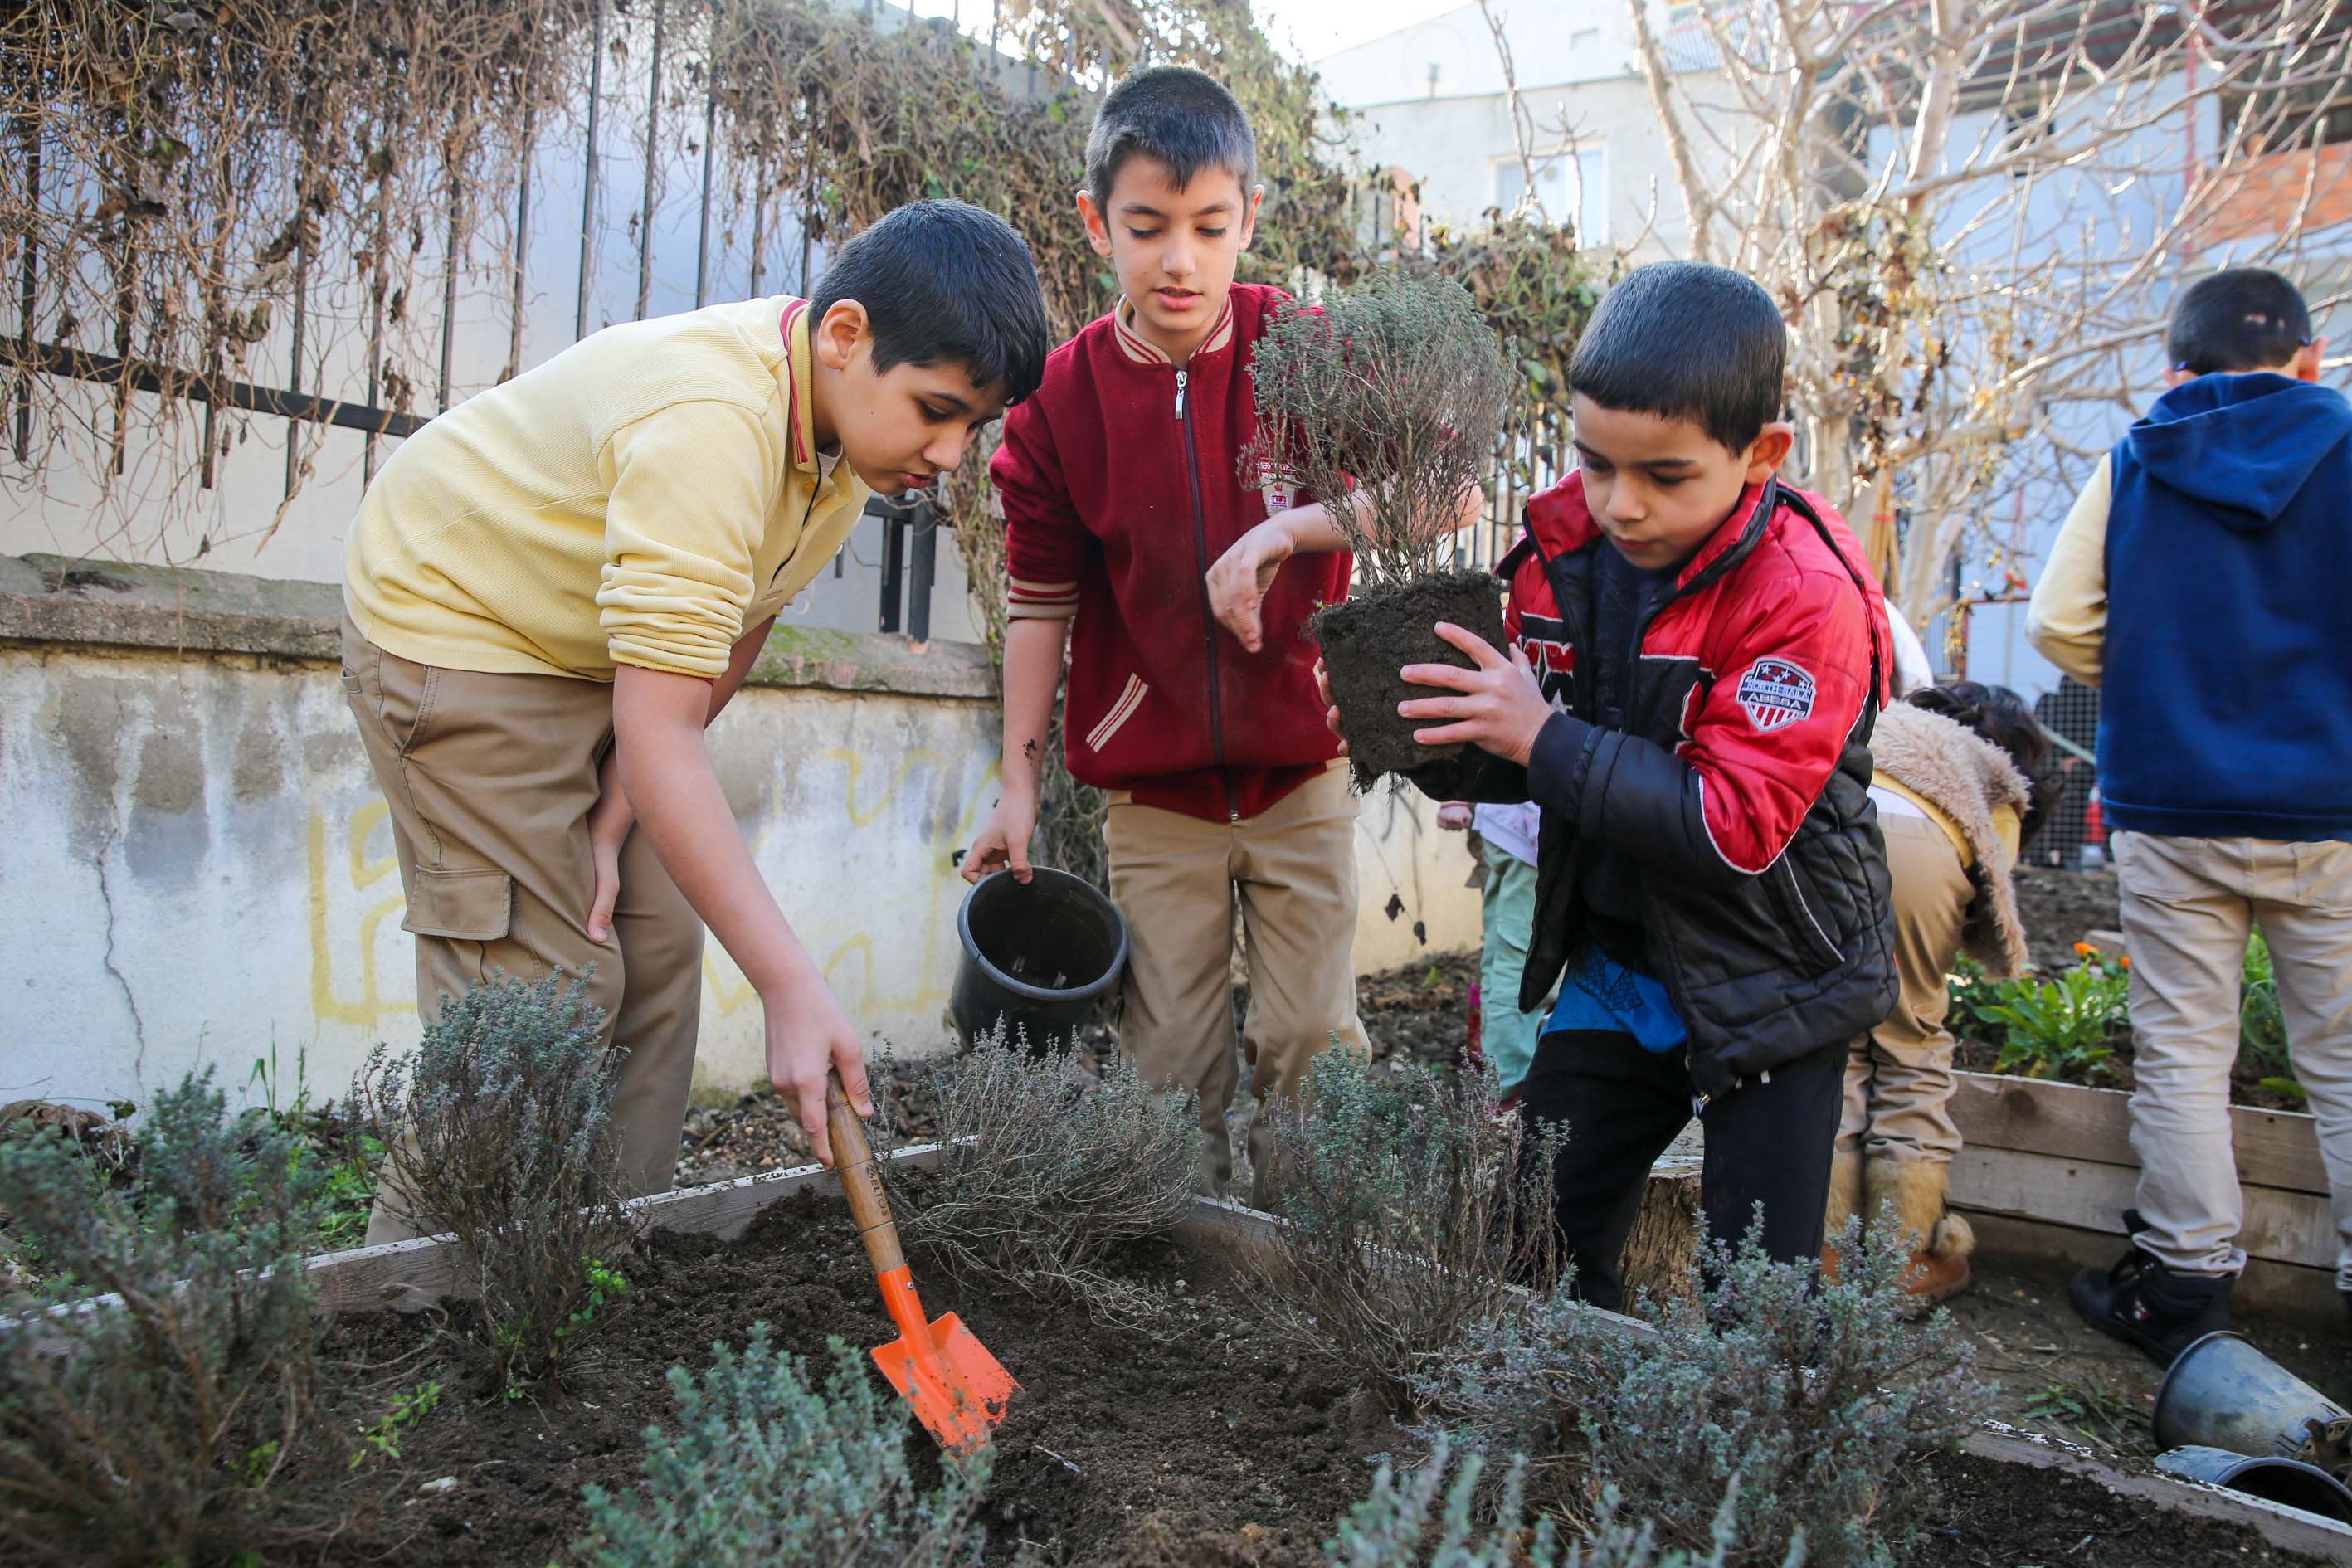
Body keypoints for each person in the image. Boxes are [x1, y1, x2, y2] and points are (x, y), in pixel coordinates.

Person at [343, 200, 1051, 1242]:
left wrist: (616, 806)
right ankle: (410, 1298)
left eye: (972, 427)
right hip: (457, 630)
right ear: (845, 334)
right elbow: (665, 728)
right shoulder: (715, 419)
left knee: (657, 962)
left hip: (590, 647)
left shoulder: (844, 439)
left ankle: (613, 1267)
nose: (949, 454)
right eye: (936, 409)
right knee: (541, 998)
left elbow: (739, 624)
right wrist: (790, 985)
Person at [1334, 261, 1897, 1309]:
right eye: (1596, 464)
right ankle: (1557, 1412)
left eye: (1665, 476)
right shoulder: (1560, 556)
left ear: (1762, 454)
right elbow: (1527, 743)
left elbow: (1731, 827)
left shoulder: (1804, 597)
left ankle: (1760, 1419)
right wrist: (1420, 734)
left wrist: (1541, 736)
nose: (1620, 504)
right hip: (1619, 969)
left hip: (1773, 980)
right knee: (1532, 1245)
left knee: (1757, 1299)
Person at [962, 66, 1476, 1204]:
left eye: (1207, 226)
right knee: (1165, 1071)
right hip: (1155, 802)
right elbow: (1038, 602)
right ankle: (1180, 1265)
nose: (1179, 261)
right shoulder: (1058, 406)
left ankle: (1311, 1258)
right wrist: (1017, 786)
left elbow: (1451, 491)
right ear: (1096, 222)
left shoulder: (1306, 352)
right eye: (1147, 227)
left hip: (1302, 773)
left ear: (1248, 218)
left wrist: (1285, 531)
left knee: (1309, 1043)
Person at [2028, 265, 2352, 1365]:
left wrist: (2160, 686)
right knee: (2345, 1060)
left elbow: (2056, 620)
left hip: (2172, 803)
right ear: (2310, 358)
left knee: (2182, 1051)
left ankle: (2182, 1288)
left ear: (2175, 370)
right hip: (2331, 809)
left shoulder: (2136, 456)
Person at [1826, 680, 2054, 1308]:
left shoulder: (1886, 723)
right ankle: (1905, 1258)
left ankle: (1824, 1250)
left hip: (1826, 830)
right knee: (1910, 1044)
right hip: (1918, 852)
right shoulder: (1996, 777)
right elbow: (1986, 886)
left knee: (1834, 1042)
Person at [1435, 800, 1561, 1098]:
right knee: (1523, 968)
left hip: (1505, 828)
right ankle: (1510, 1090)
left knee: (1503, 959)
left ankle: (1499, 1083)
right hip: (1530, 837)